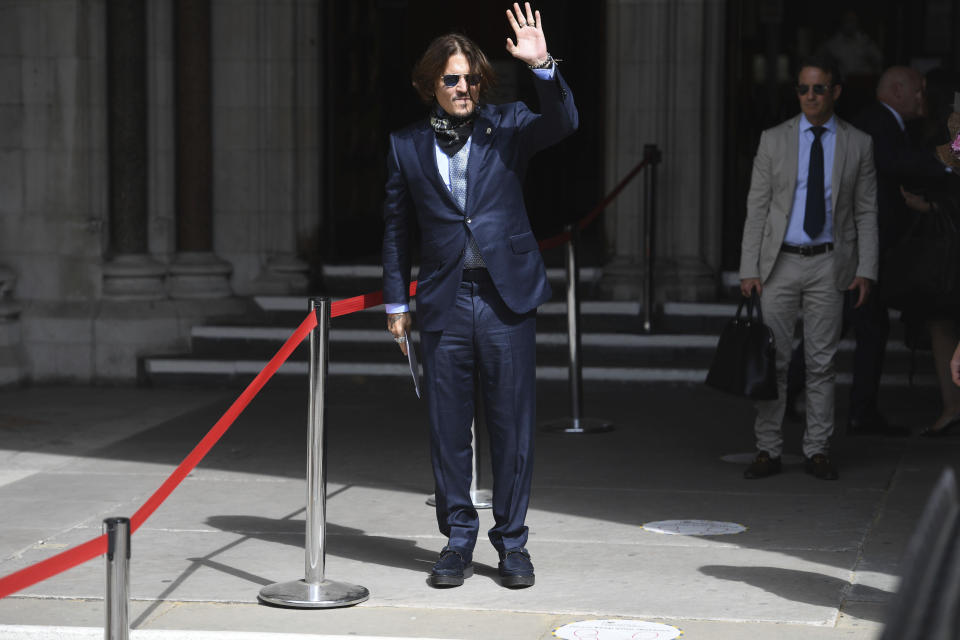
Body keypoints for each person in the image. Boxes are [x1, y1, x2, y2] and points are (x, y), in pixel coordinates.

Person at [381, 3, 578, 588]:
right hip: (444, 298)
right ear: (430, 85)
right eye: (451, 78)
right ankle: (457, 541)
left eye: (470, 77)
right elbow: (396, 228)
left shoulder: (511, 124)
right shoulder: (405, 145)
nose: (463, 86)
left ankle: (512, 545)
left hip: (505, 298)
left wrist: (542, 63)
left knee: (511, 425)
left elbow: (564, 120)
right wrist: (397, 302)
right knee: (447, 428)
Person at [739, 56, 879, 481]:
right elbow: (757, 208)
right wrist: (749, 268)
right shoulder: (773, 139)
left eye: (819, 88)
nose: (810, 96)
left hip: (829, 262)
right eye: (803, 88)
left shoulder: (859, 143)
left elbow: (867, 211)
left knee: (822, 362)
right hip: (780, 262)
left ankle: (817, 449)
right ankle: (768, 449)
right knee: (774, 360)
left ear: (835, 91)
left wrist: (867, 268)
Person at [844, 66, 947, 436]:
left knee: (850, 324)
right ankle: (860, 413)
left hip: (870, 244)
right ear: (898, 90)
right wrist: (952, 159)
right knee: (868, 326)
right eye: (919, 91)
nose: (924, 97)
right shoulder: (876, 123)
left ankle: (788, 391)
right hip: (861, 245)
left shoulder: (894, 125)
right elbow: (900, 165)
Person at [900, 110, 960, 437]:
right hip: (949, 248)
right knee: (942, 320)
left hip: (950, 240)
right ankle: (952, 406)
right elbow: (949, 169)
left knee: (943, 322)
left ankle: (952, 406)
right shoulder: (955, 128)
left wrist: (933, 207)